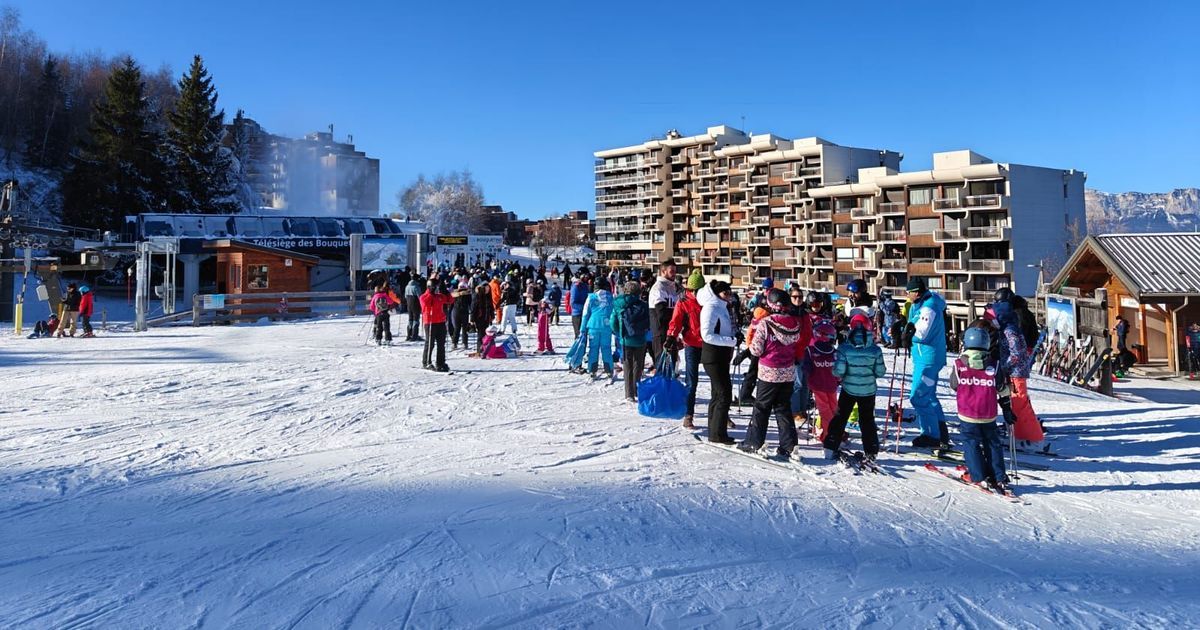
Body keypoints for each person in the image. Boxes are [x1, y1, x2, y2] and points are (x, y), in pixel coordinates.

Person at [740, 288, 811, 458]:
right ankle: (789, 445)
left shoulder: (766, 323)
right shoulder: (795, 323)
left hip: (769, 372)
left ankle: (754, 442)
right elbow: (798, 342)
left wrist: (750, 348)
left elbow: (756, 350)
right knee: (783, 408)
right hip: (787, 371)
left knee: (761, 408)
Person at [951, 326, 1010, 491]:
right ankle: (998, 476)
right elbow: (1001, 388)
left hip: (968, 413)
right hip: (988, 413)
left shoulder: (959, 365)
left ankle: (977, 475)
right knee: (992, 443)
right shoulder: (994, 365)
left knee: (971, 443)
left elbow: (954, 385)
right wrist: (1007, 403)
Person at [822, 324, 886, 461]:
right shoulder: (875, 350)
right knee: (867, 420)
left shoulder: (844, 349)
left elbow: (839, 371)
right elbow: (881, 372)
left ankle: (830, 447)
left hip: (848, 389)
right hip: (868, 390)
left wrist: (836, 372)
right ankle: (872, 450)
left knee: (840, 417)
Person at [991, 292, 1045, 447]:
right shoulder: (1014, 318)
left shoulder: (1015, 321)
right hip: (1014, 367)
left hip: (1016, 368)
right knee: (1014, 401)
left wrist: (1005, 365)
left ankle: (1033, 437)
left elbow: (1017, 351)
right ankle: (1020, 433)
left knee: (1019, 401)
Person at [901, 278, 949, 448]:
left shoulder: (929, 307)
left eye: (909, 293)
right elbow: (914, 322)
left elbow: (922, 334)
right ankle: (941, 432)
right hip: (927, 357)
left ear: (916, 292)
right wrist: (903, 326)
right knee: (929, 395)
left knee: (918, 397)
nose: (907, 296)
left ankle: (931, 435)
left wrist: (907, 336)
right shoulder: (924, 302)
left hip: (927, 359)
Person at [699, 280, 739, 444]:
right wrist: (731, 340)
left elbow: (724, 329)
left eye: (730, 293)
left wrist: (735, 336)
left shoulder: (722, 307)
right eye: (725, 293)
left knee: (718, 394)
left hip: (721, 356)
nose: (729, 296)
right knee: (724, 394)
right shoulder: (711, 307)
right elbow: (707, 335)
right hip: (713, 356)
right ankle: (718, 433)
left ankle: (715, 431)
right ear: (717, 294)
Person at [667, 269, 705, 429]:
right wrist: (671, 336)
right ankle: (688, 415)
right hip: (692, 344)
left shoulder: (709, 301)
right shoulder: (683, 302)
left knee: (720, 383)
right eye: (693, 290)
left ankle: (722, 415)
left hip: (711, 344)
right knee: (692, 382)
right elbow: (676, 322)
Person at [800, 321, 840, 442]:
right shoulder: (834, 352)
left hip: (819, 385)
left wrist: (808, 380)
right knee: (833, 409)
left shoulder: (811, 350)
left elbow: (806, 368)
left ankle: (829, 435)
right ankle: (834, 431)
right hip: (830, 385)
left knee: (826, 411)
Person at [612, 280, 651, 402]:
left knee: (627, 365)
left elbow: (613, 322)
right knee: (638, 365)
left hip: (625, 339)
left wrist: (619, 332)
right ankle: (636, 389)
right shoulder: (643, 305)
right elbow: (649, 322)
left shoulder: (619, 304)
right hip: (640, 339)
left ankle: (629, 394)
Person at [579, 278, 615, 378]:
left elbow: (585, 314)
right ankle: (609, 369)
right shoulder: (611, 297)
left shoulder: (591, 297)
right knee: (606, 348)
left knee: (593, 348)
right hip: (607, 326)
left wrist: (582, 329)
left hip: (593, 326)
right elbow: (614, 313)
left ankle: (592, 369)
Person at [419, 279, 457, 371]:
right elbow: (425, 304)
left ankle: (440, 362)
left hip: (440, 321)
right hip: (430, 322)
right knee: (430, 343)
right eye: (435, 287)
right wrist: (430, 293)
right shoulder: (424, 296)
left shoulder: (439, 296)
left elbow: (450, 300)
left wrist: (446, 292)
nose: (437, 289)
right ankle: (427, 362)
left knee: (441, 344)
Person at [647, 259, 679, 364]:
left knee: (672, 364)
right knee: (663, 364)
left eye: (675, 271)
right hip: (661, 332)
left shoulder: (673, 286)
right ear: (663, 271)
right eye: (671, 271)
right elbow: (661, 313)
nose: (674, 274)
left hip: (671, 332)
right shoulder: (659, 288)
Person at [470, 284, 494, 353]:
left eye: (488, 289)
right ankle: (480, 349)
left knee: (486, 333)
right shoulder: (477, 295)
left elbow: (491, 306)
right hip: (479, 317)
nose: (487, 290)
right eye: (486, 289)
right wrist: (472, 319)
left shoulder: (488, 296)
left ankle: (485, 348)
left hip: (486, 317)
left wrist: (492, 316)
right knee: (480, 334)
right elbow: (473, 308)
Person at [450, 281, 472, 351]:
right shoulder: (456, 293)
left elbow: (470, 303)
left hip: (464, 312)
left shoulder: (467, 294)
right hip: (457, 311)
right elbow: (452, 296)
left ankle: (464, 343)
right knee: (457, 328)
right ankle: (455, 343)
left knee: (464, 328)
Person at [570, 274, 591, 339]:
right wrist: (584, 307)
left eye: (587, 277)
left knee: (584, 336)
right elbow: (573, 303)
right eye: (585, 277)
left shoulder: (585, 286)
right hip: (577, 315)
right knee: (579, 336)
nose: (587, 278)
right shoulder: (576, 287)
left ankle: (582, 348)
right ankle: (577, 348)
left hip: (585, 314)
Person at [404, 275, 424, 342]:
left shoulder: (407, 286)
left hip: (409, 304)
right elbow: (420, 297)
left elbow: (405, 296)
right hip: (415, 304)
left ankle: (409, 335)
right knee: (416, 319)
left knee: (410, 319)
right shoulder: (416, 287)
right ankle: (414, 335)